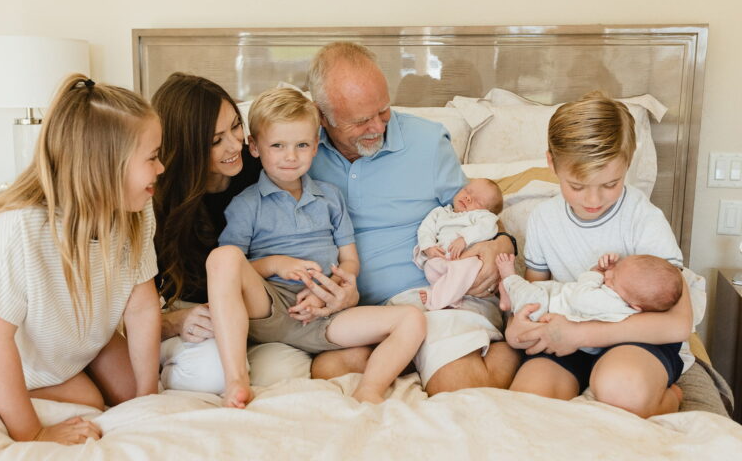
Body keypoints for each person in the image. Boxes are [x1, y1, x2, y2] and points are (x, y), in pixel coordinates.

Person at [305, 42, 520, 394]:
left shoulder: (427, 141)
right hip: (365, 315)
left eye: (384, 110)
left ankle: (507, 347)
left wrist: (500, 242)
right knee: (329, 371)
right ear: (321, 115)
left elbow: (473, 213)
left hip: (433, 297)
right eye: (360, 121)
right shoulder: (298, 149)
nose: (378, 127)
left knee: (458, 387)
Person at [208, 88, 426, 407]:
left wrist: (334, 287)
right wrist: (275, 264)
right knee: (223, 256)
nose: (290, 156)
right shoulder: (245, 205)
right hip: (268, 306)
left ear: (315, 146)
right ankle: (236, 381)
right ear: (254, 147)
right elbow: (230, 273)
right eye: (277, 145)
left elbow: (350, 261)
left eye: (301, 145)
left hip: (324, 312)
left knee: (413, 319)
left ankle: (370, 389)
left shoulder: (330, 197)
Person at [0, 75, 162, 444]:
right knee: (89, 400)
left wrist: (148, 394)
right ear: (104, 167)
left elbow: (141, 308)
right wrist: (35, 432)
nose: (161, 168)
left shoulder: (137, 210)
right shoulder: (19, 228)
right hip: (18, 351)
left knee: (131, 396)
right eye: (152, 158)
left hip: (81, 335)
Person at [505, 91, 693, 418]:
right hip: (566, 337)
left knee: (621, 389)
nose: (593, 199)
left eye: (610, 183)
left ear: (628, 162)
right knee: (526, 404)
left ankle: (670, 396)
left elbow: (679, 324)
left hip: (637, 338)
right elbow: (534, 292)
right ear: (552, 163)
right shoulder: (544, 219)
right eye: (577, 185)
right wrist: (516, 327)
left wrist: (581, 333)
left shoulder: (643, 219)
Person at [152, 73, 310, 393]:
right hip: (191, 316)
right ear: (185, 147)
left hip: (257, 313)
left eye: (236, 126)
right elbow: (134, 304)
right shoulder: (157, 200)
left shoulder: (262, 168)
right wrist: (174, 323)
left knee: (286, 370)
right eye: (215, 140)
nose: (235, 145)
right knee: (212, 374)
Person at [496, 253, 683, 351]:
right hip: (555, 307)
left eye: (614, 278)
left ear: (635, 305)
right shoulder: (627, 300)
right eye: (614, 269)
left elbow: (580, 297)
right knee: (538, 290)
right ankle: (509, 300)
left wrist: (595, 273)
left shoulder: (612, 303)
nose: (608, 274)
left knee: (530, 294)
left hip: (545, 311)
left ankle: (509, 278)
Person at [416, 179, 503, 311]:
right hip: (443, 260)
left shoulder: (480, 216)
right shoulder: (440, 213)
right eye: (467, 191)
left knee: (467, 267)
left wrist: (465, 239)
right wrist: (428, 247)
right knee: (429, 266)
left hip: (466, 260)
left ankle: (435, 302)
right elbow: (425, 229)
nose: (468, 198)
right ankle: (453, 298)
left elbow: (488, 226)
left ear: (487, 211)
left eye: (478, 201)